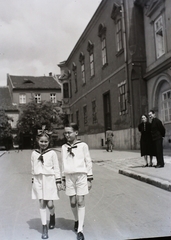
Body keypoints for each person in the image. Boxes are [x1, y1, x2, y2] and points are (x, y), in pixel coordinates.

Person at [61, 123, 93, 240]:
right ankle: (76, 220)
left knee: (80, 200)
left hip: (81, 176)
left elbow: (88, 162)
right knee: (73, 202)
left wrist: (89, 178)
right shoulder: (64, 147)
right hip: (69, 177)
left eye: (69, 132)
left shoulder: (83, 146)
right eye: (65, 133)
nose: (67, 135)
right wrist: (63, 178)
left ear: (76, 133)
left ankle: (80, 230)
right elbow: (63, 163)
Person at [31, 126, 62, 239]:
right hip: (38, 180)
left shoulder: (52, 153)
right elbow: (33, 167)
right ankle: (44, 226)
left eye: (45, 141)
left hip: (49, 180)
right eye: (41, 141)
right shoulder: (34, 153)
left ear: (49, 142)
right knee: (42, 203)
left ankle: (52, 215)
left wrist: (58, 181)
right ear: (37, 141)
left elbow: (57, 168)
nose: (43, 143)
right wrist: (33, 180)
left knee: (50, 204)